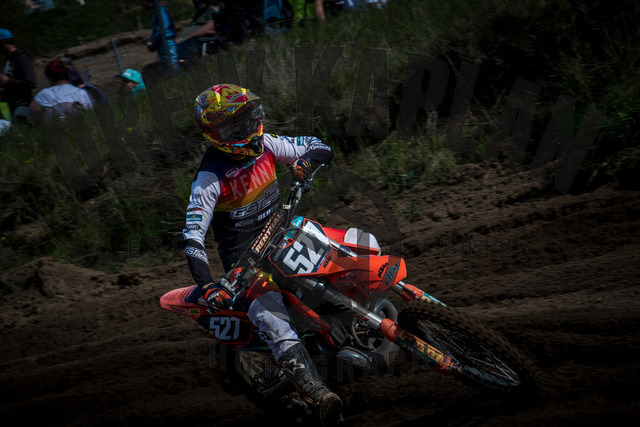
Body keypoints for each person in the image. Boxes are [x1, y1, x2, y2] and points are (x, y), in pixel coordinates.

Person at [183, 83, 342, 424]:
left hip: (284, 233)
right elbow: (193, 236)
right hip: (246, 265)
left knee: (347, 249)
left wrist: (304, 164)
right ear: (214, 133)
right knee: (273, 320)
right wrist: (207, 284)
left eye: (246, 118)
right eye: (232, 125)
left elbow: (319, 146)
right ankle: (317, 393)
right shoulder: (209, 177)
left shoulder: (267, 144)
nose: (244, 128)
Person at [0, 28, 37, 123]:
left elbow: (31, 83)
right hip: (7, 104)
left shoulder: (22, 58)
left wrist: (9, 82)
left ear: (2, 42)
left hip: (21, 105)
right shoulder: (7, 59)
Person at [141, 0, 179, 69]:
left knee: (172, 68)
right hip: (162, 47)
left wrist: (153, 43)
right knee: (167, 69)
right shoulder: (157, 12)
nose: (142, 3)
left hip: (167, 46)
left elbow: (163, 29)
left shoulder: (161, 10)